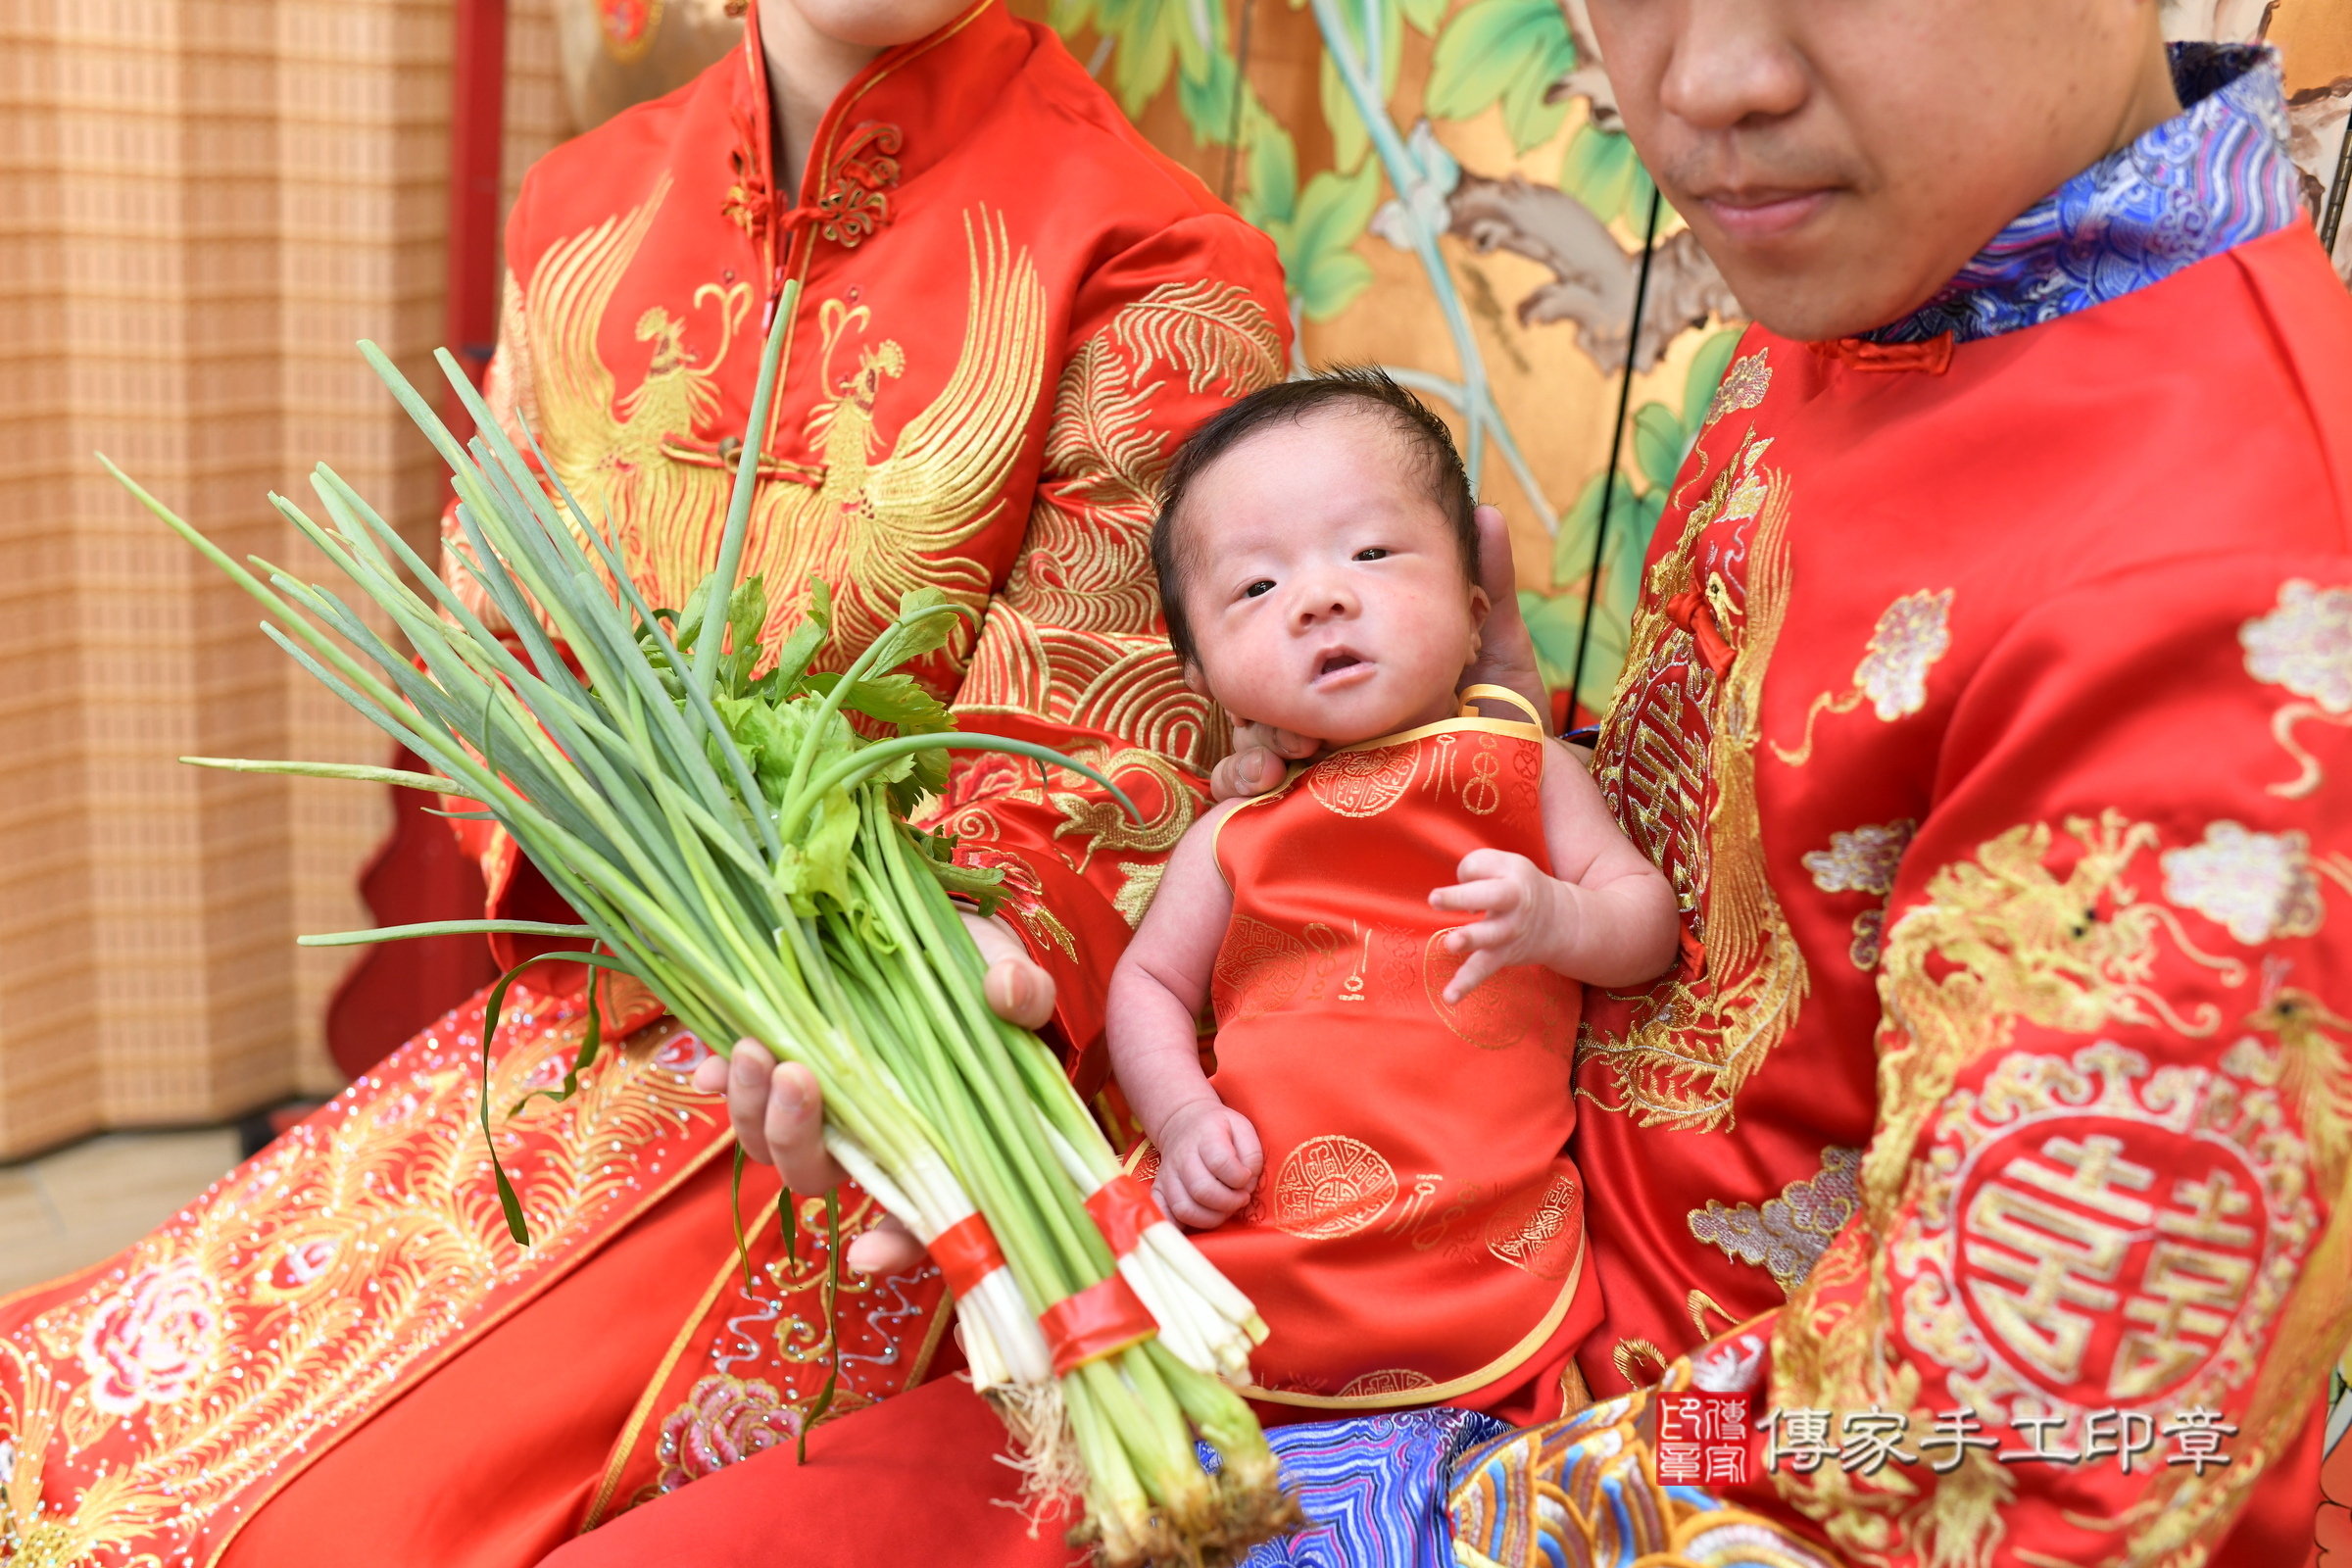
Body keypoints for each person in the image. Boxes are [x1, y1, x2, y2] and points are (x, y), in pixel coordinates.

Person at [633, 4, 2352, 1567]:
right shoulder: (1915, 261)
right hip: (1416, 1215)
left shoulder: (2240, 607)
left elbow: (2025, 1462)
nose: (1704, 86)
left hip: (1567, 1434)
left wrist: (1409, 1509)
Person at [0, 0, 1293, 1563]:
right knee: (98, 1398)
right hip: (617, 992)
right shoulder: (585, 206)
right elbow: (500, 652)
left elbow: (1093, 739)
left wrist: (943, 994)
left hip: (898, 1086)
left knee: (327, 1521)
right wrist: (649, 885)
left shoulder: (1156, 258)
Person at [1106, 369, 1675, 1419]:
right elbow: (1146, 981)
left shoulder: (1525, 769)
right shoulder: (1236, 828)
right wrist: (1182, 1118)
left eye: (1371, 552)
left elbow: (1644, 924)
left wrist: (1561, 916)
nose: (1321, 595)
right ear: (1202, 676)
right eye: (1256, 588)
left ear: (1472, 615)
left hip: (1481, 1242)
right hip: (1258, 1230)